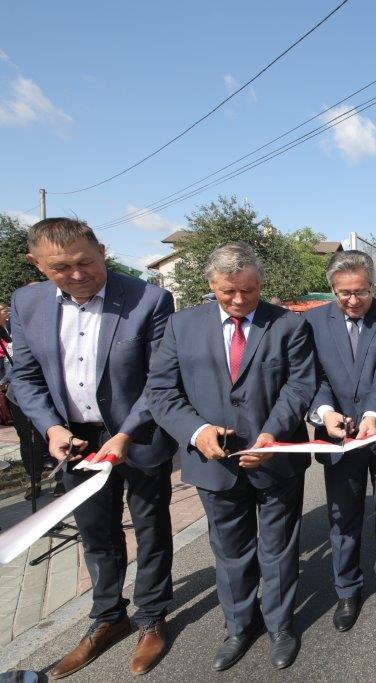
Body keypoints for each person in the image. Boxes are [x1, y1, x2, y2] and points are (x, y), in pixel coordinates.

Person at [9, 218, 176, 678]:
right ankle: (107, 617)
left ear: (102, 250)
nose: (77, 274)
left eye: (86, 262)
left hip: (137, 436)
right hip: (73, 442)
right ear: (37, 265)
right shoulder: (26, 302)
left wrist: (126, 434)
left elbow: (161, 377)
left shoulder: (149, 299)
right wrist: (49, 428)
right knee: (96, 534)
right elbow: (24, 376)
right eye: (61, 267)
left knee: (151, 527)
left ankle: (150, 617)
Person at [146, 243, 315, 671]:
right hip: (213, 464)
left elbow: (299, 386)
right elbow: (161, 392)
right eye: (228, 292)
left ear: (261, 285)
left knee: (278, 549)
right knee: (230, 551)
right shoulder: (181, 326)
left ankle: (280, 625)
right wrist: (197, 432)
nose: (239, 301)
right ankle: (240, 625)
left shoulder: (289, 326)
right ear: (211, 285)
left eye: (249, 291)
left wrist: (271, 434)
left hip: (274, 459)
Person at [304, 250, 376, 632]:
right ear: (333, 289)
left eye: (361, 292)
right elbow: (312, 376)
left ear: (372, 286)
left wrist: (371, 416)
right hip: (337, 437)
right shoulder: (314, 321)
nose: (353, 300)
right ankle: (347, 587)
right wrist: (325, 412)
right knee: (343, 516)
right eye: (344, 293)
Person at [1, 300, 57, 499]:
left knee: (56, 433)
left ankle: (60, 479)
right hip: (19, 395)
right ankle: (33, 480)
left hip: (54, 392)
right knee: (28, 440)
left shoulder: (55, 322)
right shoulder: (9, 331)